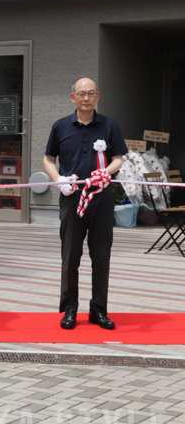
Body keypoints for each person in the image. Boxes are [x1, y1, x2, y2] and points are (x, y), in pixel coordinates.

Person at [44, 77, 126, 330]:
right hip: (71, 199)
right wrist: (58, 180)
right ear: (73, 98)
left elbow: (118, 158)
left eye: (91, 93)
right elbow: (48, 159)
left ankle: (98, 310)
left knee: (101, 256)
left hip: (101, 198)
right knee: (71, 255)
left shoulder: (109, 126)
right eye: (82, 94)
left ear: (98, 96)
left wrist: (107, 173)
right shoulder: (60, 127)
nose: (86, 98)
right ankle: (69, 309)